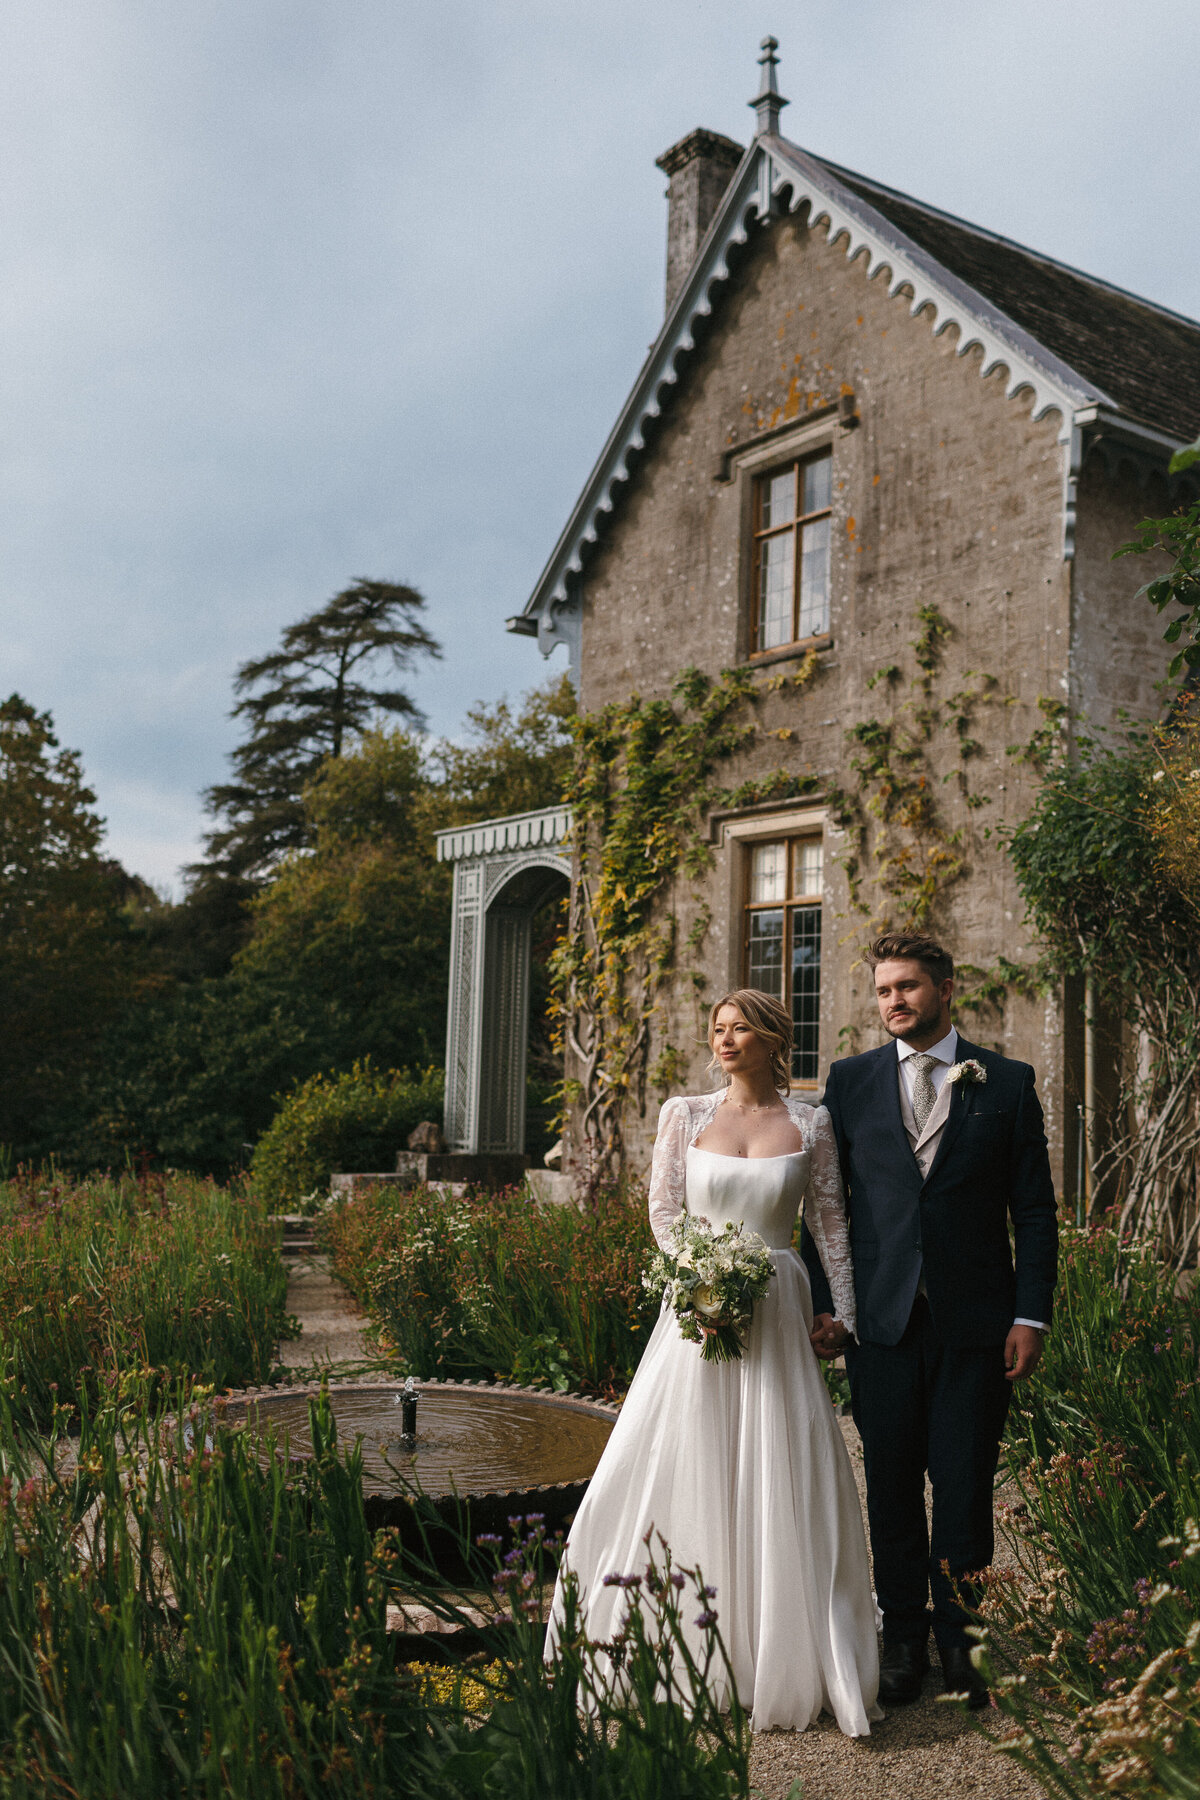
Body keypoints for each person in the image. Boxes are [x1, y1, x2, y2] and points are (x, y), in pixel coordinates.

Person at [544, 989, 881, 1736]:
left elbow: (829, 1221)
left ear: (771, 1039)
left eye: (741, 1030)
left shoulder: (814, 1121)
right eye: (718, 1030)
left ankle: (778, 1648)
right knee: (677, 1453)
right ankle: (679, 1639)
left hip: (782, 1304)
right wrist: (697, 1277)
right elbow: (663, 1212)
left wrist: (845, 1316)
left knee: (779, 1458)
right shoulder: (684, 1115)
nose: (725, 1041)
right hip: (696, 1307)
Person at [803, 932, 1058, 1709]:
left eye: (908, 987)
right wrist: (826, 1303)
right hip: (880, 1323)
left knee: (964, 1484)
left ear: (947, 989)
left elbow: (1036, 1213)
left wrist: (1031, 1315)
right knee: (888, 1484)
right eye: (883, 990)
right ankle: (903, 1638)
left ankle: (963, 1641)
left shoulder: (1007, 1082)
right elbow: (824, 1209)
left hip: (977, 1323)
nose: (894, 1002)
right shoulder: (847, 1083)